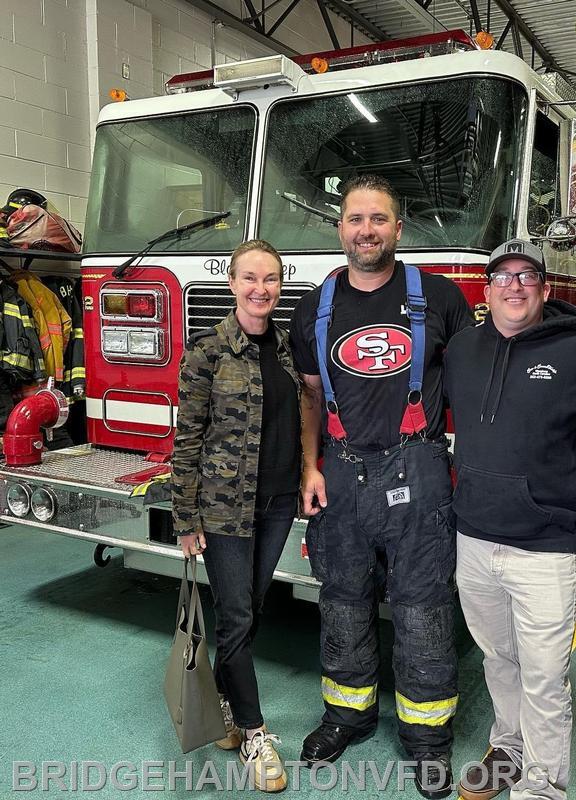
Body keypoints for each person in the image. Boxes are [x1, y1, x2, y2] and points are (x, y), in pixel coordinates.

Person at [289, 174, 472, 799]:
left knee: (423, 607)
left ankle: (427, 738)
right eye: (354, 219)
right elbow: (310, 397)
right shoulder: (314, 307)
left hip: (418, 470)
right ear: (340, 229)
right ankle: (347, 716)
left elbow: (472, 393)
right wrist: (310, 468)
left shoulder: (442, 299)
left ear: (399, 228)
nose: (366, 230)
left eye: (378, 219)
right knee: (341, 599)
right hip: (340, 471)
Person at [444, 239, 576, 800]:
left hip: (544, 546)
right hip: (474, 538)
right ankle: (508, 749)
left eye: (527, 276)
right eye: (503, 276)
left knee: (544, 677)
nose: (514, 285)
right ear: (487, 291)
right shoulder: (462, 350)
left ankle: (541, 788)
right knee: (499, 658)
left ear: (544, 287)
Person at [171, 239, 302, 793]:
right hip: (224, 508)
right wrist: (185, 517)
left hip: (276, 504)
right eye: (250, 278)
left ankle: (226, 706)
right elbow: (188, 439)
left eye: (270, 279)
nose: (260, 289)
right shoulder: (207, 352)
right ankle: (253, 731)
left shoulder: (290, 348)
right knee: (238, 616)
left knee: (249, 610)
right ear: (232, 284)